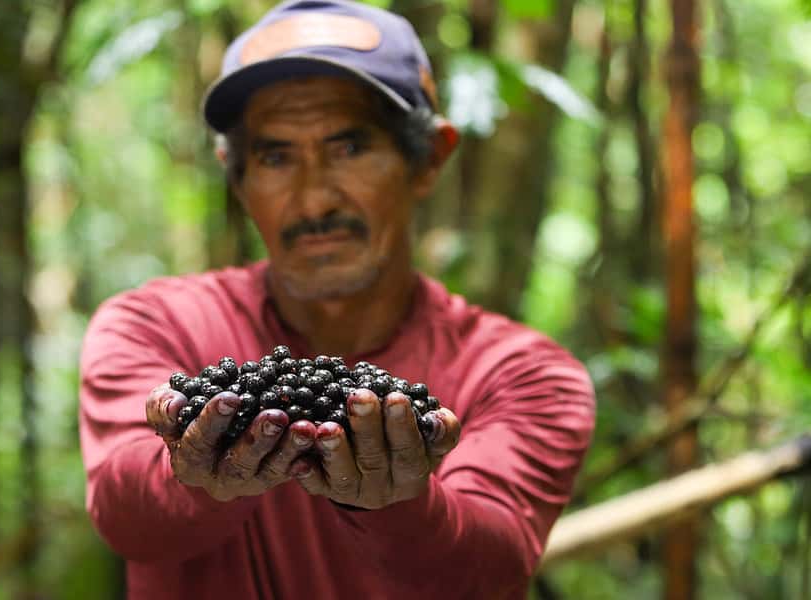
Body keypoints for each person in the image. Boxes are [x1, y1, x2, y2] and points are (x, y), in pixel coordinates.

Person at [79, 1, 596, 598]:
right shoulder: (153, 326)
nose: (314, 199)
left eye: (349, 149)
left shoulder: (524, 375)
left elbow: (491, 566)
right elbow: (125, 515)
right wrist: (193, 472)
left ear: (428, 159)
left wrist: (399, 503)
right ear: (236, 175)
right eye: (276, 157)